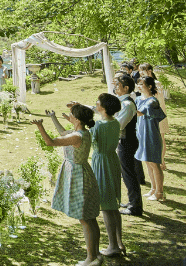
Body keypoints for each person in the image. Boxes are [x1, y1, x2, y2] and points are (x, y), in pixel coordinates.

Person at [50, 95, 125, 257]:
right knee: (112, 203)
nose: (95, 105)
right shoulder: (115, 121)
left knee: (105, 205)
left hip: (101, 162)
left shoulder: (98, 126)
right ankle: (119, 242)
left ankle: (112, 245)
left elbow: (83, 129)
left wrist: (75, 118)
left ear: (103, 108)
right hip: (113, 160)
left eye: (97, 104)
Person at [34, 105, 103, 266]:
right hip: (83, 172)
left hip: (78, 176)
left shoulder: (77, 136)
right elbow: (63, 133)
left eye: (72, 115)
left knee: (85, 219)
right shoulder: (82, 132)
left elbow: (50, 142)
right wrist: (53, 117)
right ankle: (96, 254)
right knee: (90, 219)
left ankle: (91, 258)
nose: (69, 116)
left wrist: (40, 126)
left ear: (77, 119)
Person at [114, 74, 146, 216]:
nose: (115, 87)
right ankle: (132, 201)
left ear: (126, 88)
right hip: (124, 141)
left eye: (118, 85)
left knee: (129, 174)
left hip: (127, 142)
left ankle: (135, 207)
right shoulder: (122, 102)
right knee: (126, 174)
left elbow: (119, 125)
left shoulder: (127, 105)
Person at [135, 76, 167, 201]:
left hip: (151, 135)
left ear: (149, 86)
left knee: (155, 164)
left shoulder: (152, 101)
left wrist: (125, 106)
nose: (139, 86)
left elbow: (140, 112)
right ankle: (153, 188)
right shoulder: (138, 99)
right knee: (147, 163)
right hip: (141, 134)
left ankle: (160, 192)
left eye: (141, 84)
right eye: (138, 84)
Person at [138, 63, 169, 171]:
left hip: (158, 114)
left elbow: (156, 98)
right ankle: (157, 161)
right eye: (140, 71)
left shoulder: (156, 83)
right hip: (146, 116)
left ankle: (161, 160)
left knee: (161, 137)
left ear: (149, 70)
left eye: (143, 70)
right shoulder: (142, 84)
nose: (140, 73)